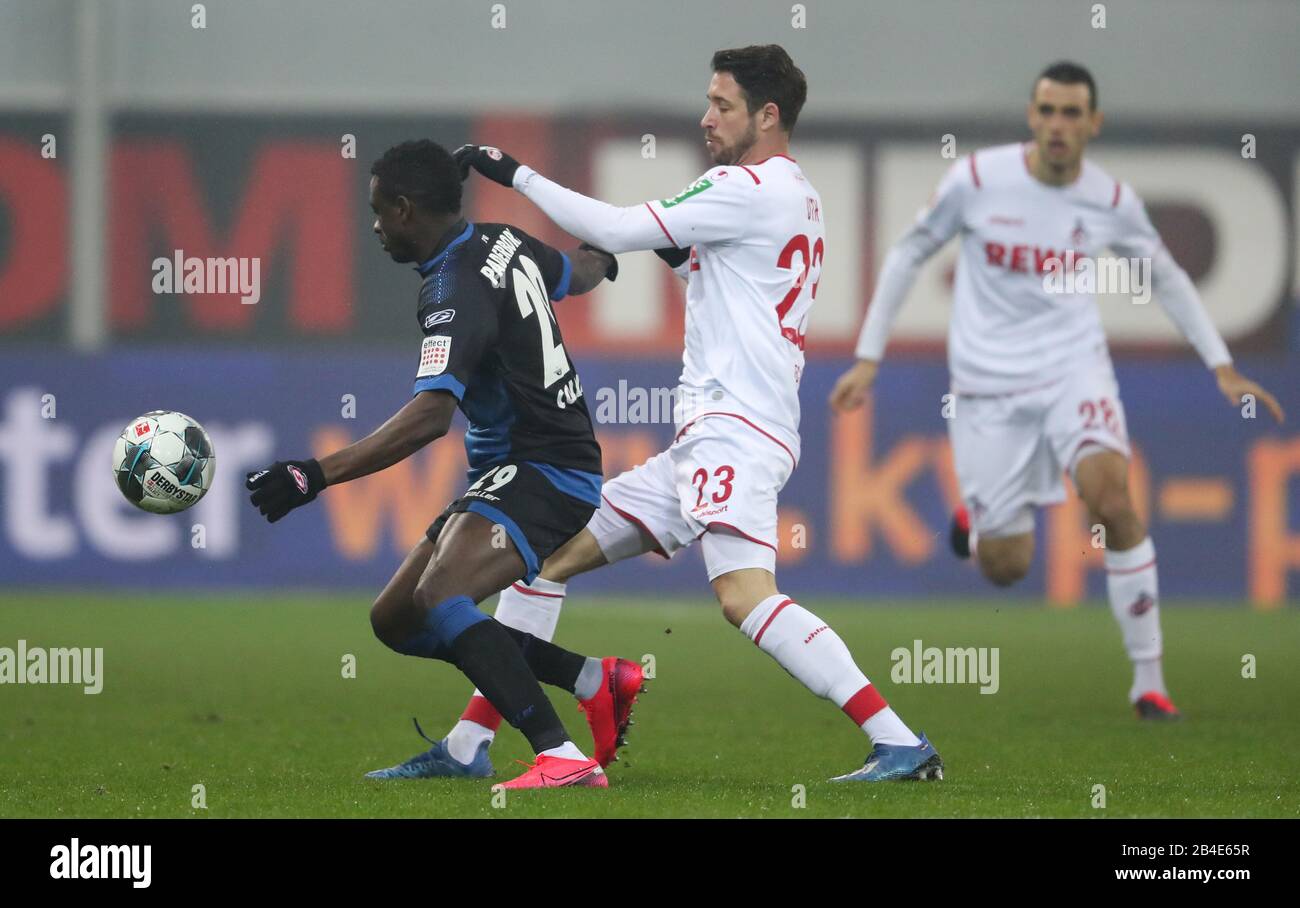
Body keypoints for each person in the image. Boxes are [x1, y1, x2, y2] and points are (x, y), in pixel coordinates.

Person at [448, 44, 943, 783]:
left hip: (734, 433)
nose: (706, 117)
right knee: (546, 557)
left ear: (767, 115)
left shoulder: (747, 187)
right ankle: (469, 746)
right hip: (711, 440)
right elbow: (704, 267)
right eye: (708, 101)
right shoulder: (794, 194)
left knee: (744, 596)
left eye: (723, 105)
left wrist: (512, 173)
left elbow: (617, 227)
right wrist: (658, 249)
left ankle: (898, 741)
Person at [830, 61, 1285, 720]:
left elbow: (1166, 276)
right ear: (1031, 117)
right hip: (988, 388)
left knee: (1111, 498)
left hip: (1075, 371)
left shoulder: (1111, 201)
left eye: (1072, 113)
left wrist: (1221, 365)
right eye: (1047, 111)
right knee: (1007, 566)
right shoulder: (979, 181)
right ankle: (977, 520)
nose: (1058, 125)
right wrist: (868, 357)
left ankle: (1148, 681)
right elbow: (907, 254)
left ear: (1093, 123)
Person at [245, 139, 643, 789]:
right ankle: (592, 679)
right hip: (517, 468)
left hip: (547, 467)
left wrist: (311, 475)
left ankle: (560, 757)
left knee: (443, 596)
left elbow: (430, 418)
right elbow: (573, 271)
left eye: (378, 211)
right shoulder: (504, 241)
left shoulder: (452, 286)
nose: (373, 226)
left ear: (405, 210)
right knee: (396, 619)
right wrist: (607, 257)